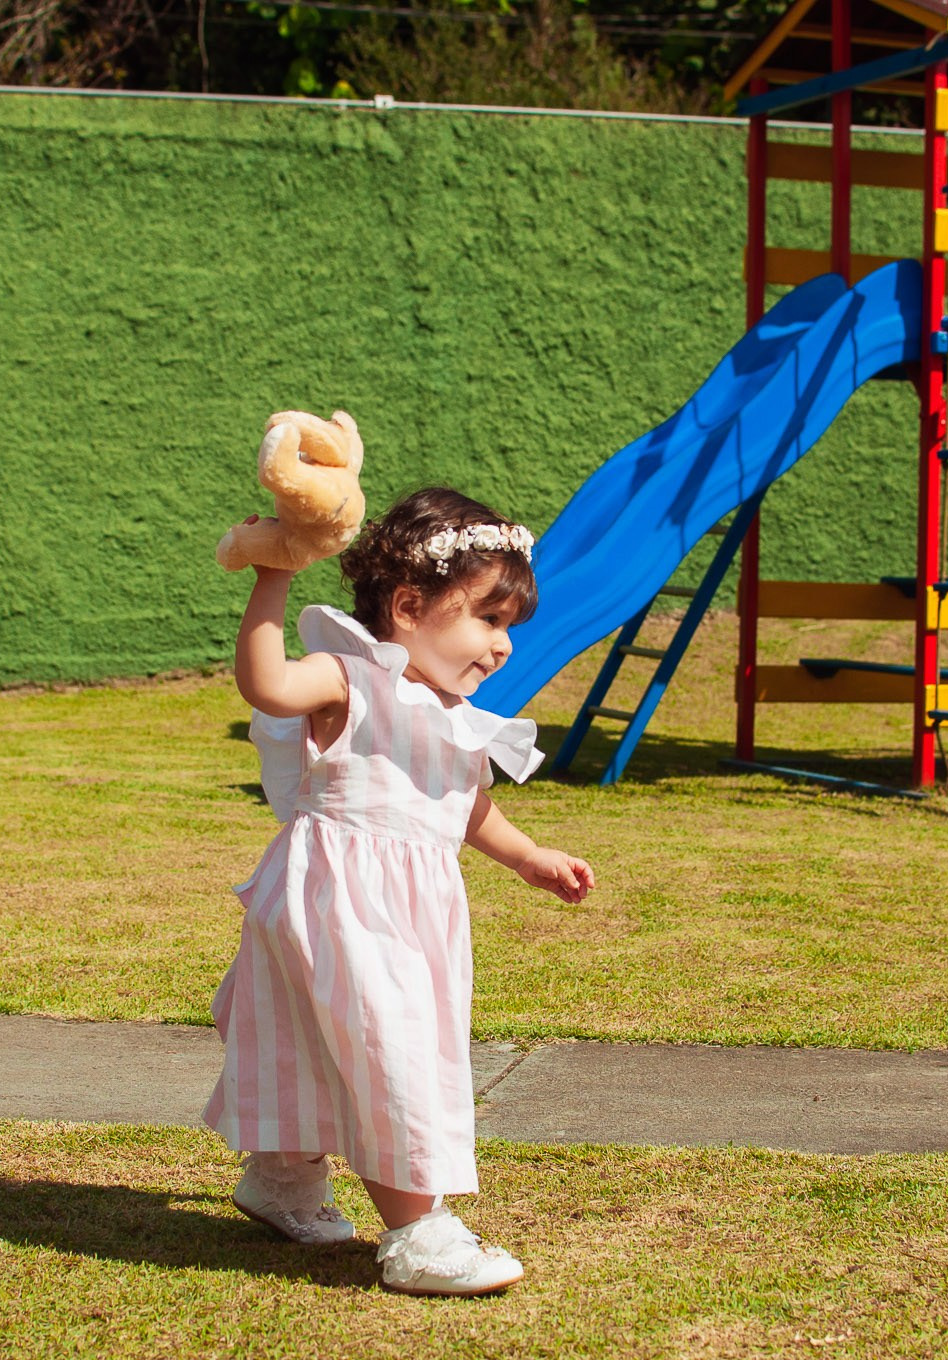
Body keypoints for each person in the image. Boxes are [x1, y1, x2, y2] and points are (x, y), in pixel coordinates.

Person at [203, 486, 596, 1297]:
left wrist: (526, 856)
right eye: (488, 620)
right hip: (341, 902)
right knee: (391, 1054)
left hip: (408, 911)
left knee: (320, 1047)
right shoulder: (349, 677)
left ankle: (283, 1182)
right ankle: (419, 1230)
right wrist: (271, 573)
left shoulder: (450, 713)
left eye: (508, 628)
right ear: (410, 606)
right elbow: (267, 684)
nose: (503, 647)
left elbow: (464, 800)